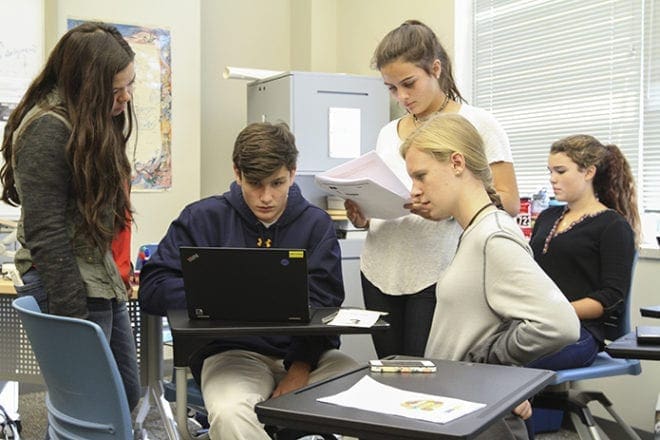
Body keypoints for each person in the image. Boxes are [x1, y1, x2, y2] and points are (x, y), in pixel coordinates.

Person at [138, 122, 358, 439]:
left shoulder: (315, 224)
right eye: (254, 183)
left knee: (363, 394)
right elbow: (153, 287)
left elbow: (326, 305)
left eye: (277, 183)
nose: (266, 197)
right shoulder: (202, 218)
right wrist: (216, 295)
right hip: (231, 354)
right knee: (230, 413)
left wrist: (300, 368)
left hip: (309, 358)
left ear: (293, 173)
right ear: (237, 173)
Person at [344, 19, 519, 358]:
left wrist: (447, 207)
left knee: (427, 380)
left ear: (435, 68)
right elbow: (386, 200)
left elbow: (509, 204)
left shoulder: (478, 124)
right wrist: (363, 214)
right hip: (379, 269)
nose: (402, 97)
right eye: (392, 89)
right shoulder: (388, 132)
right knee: (390, 373)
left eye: (409, 83)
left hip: (439, 271)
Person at [401, 113, 580, 439]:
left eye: (421, 176)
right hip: (456, 409)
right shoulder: (474, 233)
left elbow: (559, 324)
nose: (415, 190)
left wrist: (491, 362)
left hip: (476, 416)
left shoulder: (493, 236)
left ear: (457, 163)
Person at [0, 22, 141, 411]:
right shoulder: (48, 127)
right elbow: (46, 233)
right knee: (90, 407)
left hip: (97, 277)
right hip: (68, 284)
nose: (126, 98)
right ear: (88, 86)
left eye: (129, 85)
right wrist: (74, 321)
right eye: (116, 90)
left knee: (121, 398)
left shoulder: (83, 118)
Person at [527, 135, 639, 371]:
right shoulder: (547, 217)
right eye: (550, 171)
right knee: (478, 353)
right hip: (537, 324)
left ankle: (523, 405)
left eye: (560, 171)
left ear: (588, 172)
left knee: (514, 363)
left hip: (582, 331)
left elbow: (611, 298)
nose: (552, 179)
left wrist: (558, 311)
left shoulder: (613, 226)